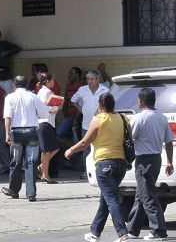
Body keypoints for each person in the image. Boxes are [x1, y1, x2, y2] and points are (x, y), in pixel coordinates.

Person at [65, 93, 131, 242]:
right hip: (121, 164)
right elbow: (129, 139)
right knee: (105, 199)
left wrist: (70, 150)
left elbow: (85, 142)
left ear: (100, 105)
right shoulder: (122, 118)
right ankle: (94, 232)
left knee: (111, 199)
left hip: (104, 164)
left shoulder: (98, 119)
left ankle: (122, 233)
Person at [126, 87, 174, 240]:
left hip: (144, 161)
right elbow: (169, 142)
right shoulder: (161, 117)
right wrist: (169, 161)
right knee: (141, 195)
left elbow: (130, 138)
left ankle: (159, 231)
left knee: (148, 196)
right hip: (156, 159)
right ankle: (132, 229)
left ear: (140, 101)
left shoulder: (139, 118)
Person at [1, 75, 49, 202]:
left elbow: (7, 117)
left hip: (16, 132)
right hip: (31, 132)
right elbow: (44, 114)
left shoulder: (10, 97)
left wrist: (7, 134)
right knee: (31, 162)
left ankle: (13, 190)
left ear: (14, 85)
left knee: (16, 162)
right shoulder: (33, 97)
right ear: (26, 84)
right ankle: (31, 193)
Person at [71, 70, 109, 178]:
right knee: (86, 148)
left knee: (100, 147)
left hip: (101, 124)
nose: (90, 81)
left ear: (97, 79)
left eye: (92, 79)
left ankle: (100, 170)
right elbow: (73, 100)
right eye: (88, 79)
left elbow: (109, 105)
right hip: (86, 125)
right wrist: (81, 109)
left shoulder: (105, 90)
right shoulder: (82, 89)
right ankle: (87, 171)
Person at [36, 72, 63, 184]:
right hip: (45, 122)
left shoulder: (43, 91)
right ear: (47, 81)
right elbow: (45, 108)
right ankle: (45, 174)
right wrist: (57, 107)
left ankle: (43, 167)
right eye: (52, 80)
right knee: (47, 150)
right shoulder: (45, 92)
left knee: (53, 147)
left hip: (46, 123)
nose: (53, 82)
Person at [57, 66, 85, 141]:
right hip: (69, 117)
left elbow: (83, 103)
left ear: (77, 75)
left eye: (71, 73)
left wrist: (77, 117)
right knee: (60, 133)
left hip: (80, 118)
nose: (69, 75)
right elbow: (65, 101)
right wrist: (65, 112)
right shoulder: (68, 86)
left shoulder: (83, 86)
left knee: (76, 137)